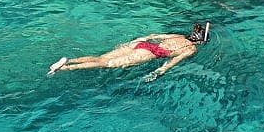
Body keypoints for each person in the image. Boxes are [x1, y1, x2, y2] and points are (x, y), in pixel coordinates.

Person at [48, 22, 211, 82]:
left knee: (101, 57)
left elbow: (153, 36)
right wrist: (159, 71)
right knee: (106, 64)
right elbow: (173, 61)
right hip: (151, 52)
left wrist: (137, 41)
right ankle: (64, 68)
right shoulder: (191, 49)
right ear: (200, 41)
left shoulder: (178, 35)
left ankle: (69, 60)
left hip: (141, 44)